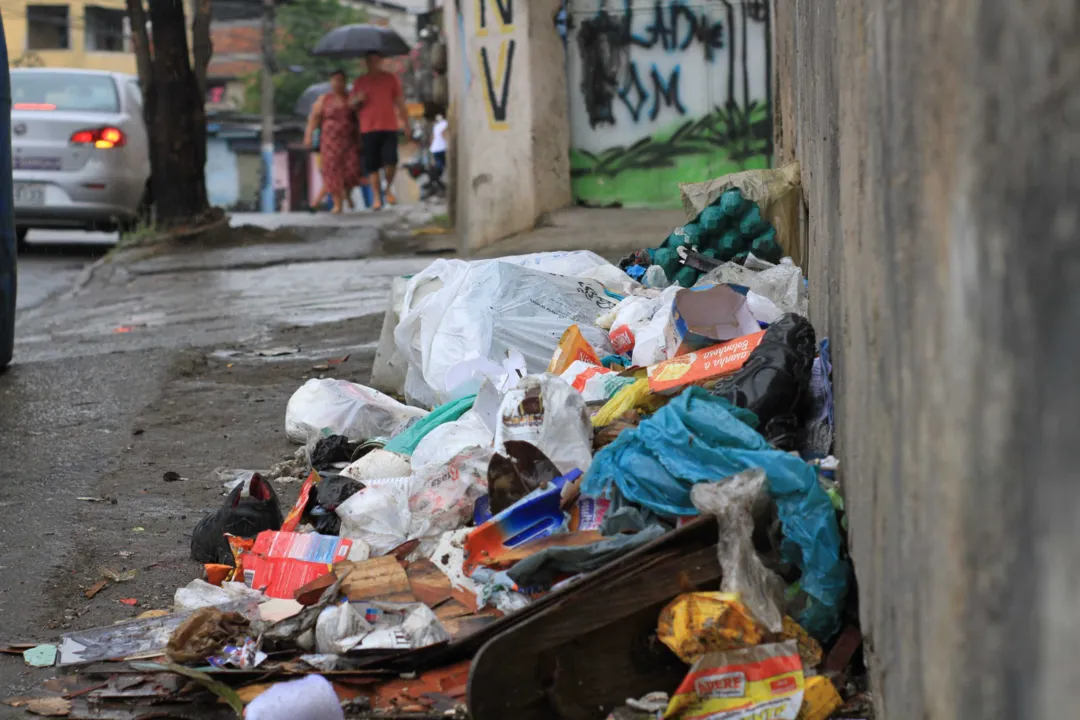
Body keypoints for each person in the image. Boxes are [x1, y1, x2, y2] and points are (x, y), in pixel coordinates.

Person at [350, 52, 408, 210]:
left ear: (381, 61)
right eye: (369, 61)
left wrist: (406, 122)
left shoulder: (390, 79)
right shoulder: (360, 82)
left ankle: (387, 187)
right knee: (372, 165)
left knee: (391, 162)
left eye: (376, 60)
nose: (373, 63)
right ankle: (377, 197)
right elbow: (351, 105)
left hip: (389, 126)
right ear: (366, 63)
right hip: (368, 128)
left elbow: (399, 101)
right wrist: (358, 99)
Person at [304, 69, 362, 214]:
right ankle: (338, 204)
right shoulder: (324, 100)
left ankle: (346, 193)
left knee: (352, 171)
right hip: (330, 142)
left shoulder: (350, 99)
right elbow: (314, 119)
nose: (338, 83)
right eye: (335, 80)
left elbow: (359, 118)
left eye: (341, 80)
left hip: (349, 141)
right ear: (331, 82)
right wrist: (308, 135)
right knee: (332, 172)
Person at [429, 114, 448, 182]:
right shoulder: (445, 123)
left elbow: (433, 137)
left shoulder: (436, 126)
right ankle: (438, 177)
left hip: (435, 148)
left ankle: (437, 177)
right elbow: (444, 133)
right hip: (441, 147)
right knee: (442, 164)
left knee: (439, 163)